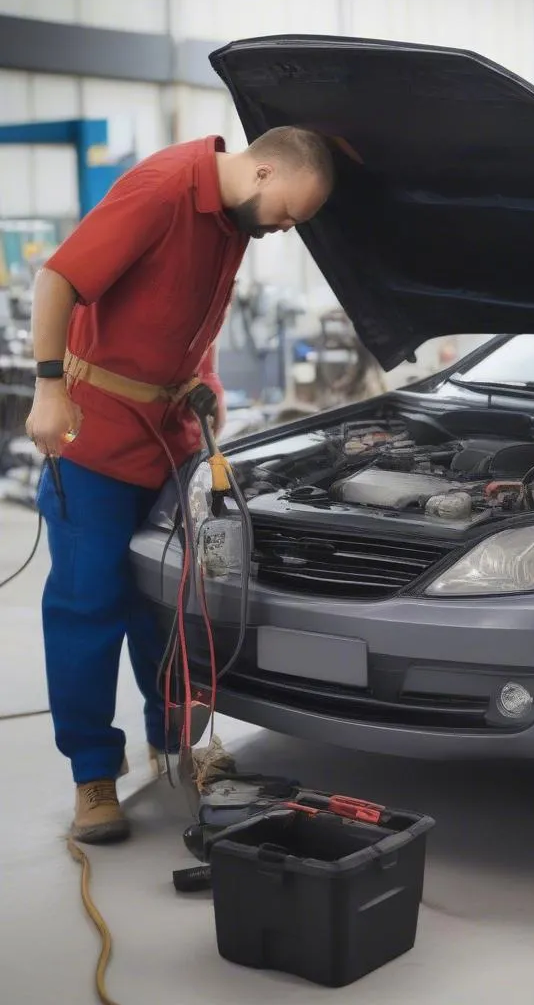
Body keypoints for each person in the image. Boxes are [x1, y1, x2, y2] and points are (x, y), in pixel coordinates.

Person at [25, 126, 335, 844]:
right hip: (95, 441)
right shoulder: (163, 188)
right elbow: (58, 279)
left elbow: (196, 313)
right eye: (291, 210)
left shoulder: (232, 220)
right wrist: (48, 389)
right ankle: (94, 774)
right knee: (88, 605)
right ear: (262, 171)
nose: (287, 228)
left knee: (170, 605)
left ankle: (175, 741)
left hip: (172, 445)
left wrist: (209, 378)